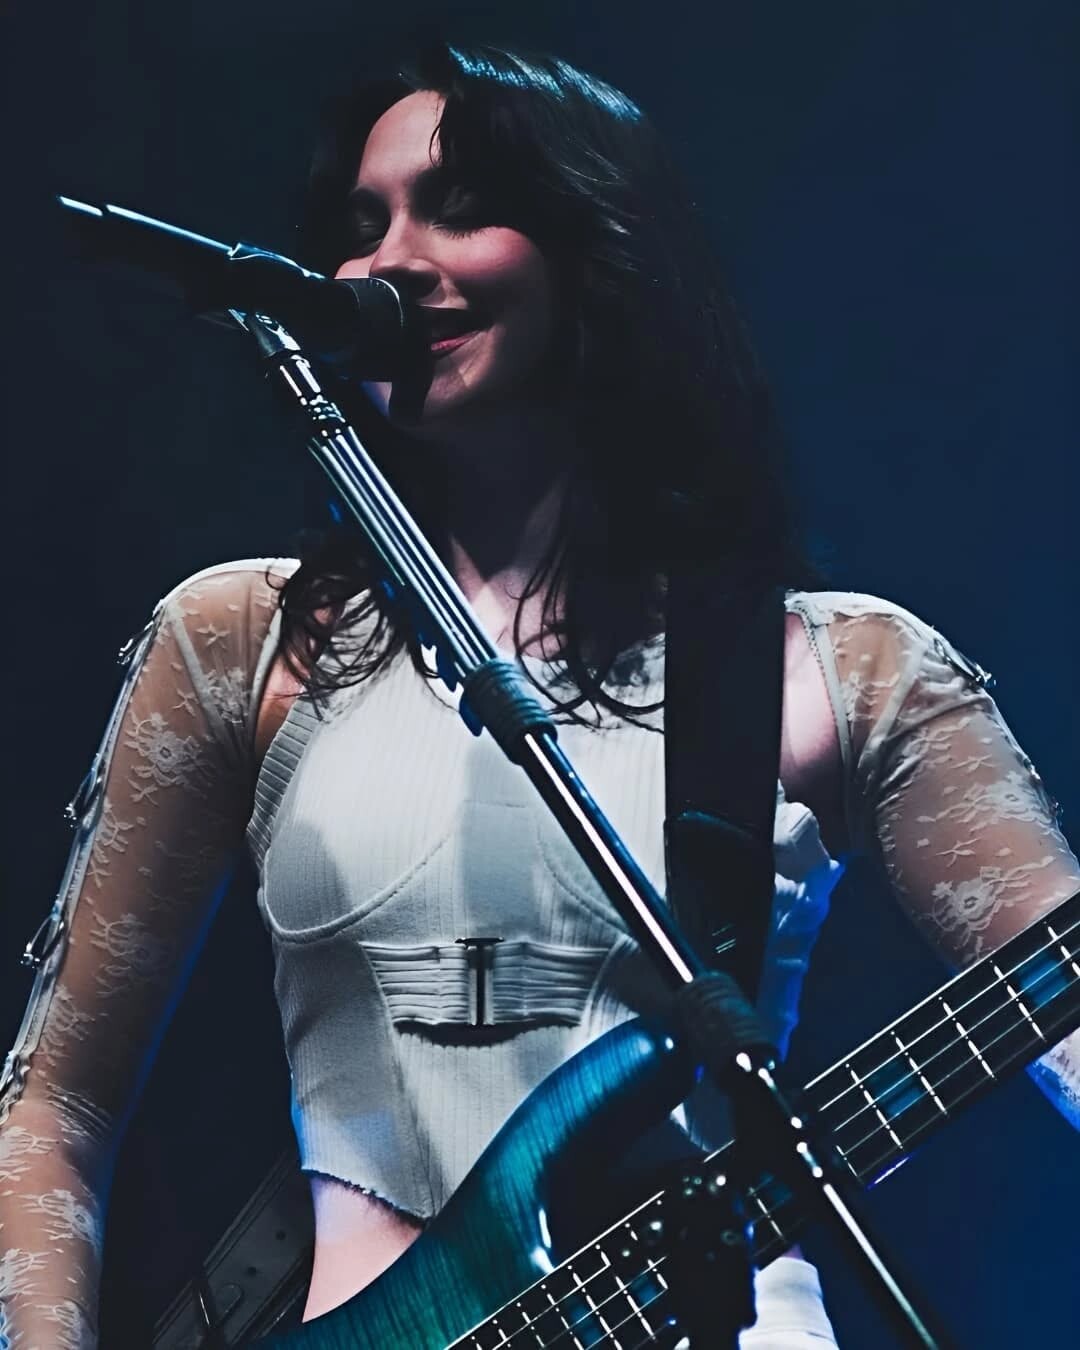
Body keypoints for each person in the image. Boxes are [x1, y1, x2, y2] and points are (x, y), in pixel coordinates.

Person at [0, 40, 1077, 1349]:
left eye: (459, 206)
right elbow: (54, 1107)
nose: (390, 262)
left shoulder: (838, 666)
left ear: (597, 249)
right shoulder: (244, 642)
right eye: (362, 225)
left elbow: (1059, 1008)